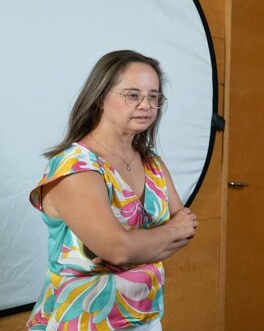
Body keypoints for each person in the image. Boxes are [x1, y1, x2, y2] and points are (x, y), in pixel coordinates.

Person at [27, 50, 199, 330]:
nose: (146, 105)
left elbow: (187, 227)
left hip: (145, 316)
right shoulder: (74, 166)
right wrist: (163, 235)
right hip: (84, 321)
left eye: (154, 96)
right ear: (99, 98)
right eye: (133, 95)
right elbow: (119, 249)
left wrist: (135, 246)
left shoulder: (151, 161)